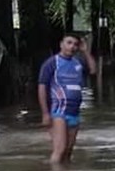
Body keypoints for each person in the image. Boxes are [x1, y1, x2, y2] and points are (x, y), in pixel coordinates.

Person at [38, 33, 97, 164]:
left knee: (68, 152)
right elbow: (42, 87)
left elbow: (93, 70)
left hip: (74, 112)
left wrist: (85, 51)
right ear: (61, 44)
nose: (72, 47)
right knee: (60, 149)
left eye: (75, 44)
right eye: (69, 43)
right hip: (58, 112)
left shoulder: (78, 63)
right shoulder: (52, 63)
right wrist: (45, 113)